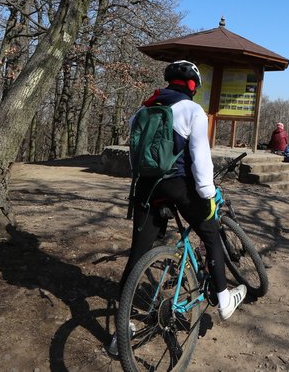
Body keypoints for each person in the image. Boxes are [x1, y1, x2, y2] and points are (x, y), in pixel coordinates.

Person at [109, 60, 247, 356]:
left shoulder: (143, 110)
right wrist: (207, 193)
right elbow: (200, 157)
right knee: (210, 234)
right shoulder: (192, 110)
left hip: (147, 187)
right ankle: (223, 300)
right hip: (179, 185)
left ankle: (122, 333)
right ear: (193, 86)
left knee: (139, 252)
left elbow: (135, 155)